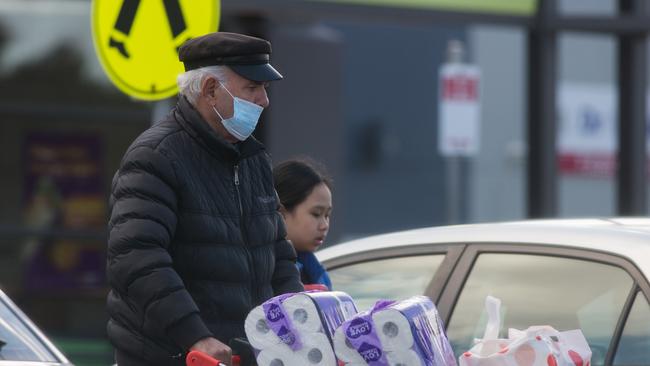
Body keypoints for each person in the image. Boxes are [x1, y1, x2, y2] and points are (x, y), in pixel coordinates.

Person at [106, 32, 303, 366]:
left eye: (264, 89)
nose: (264, 101)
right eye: (253, 88)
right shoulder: (156, 157)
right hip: (176, 356)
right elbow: (136, 258)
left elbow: (277, 251)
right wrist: (195, 337)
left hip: (243, 355)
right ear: (212, 90)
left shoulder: (252, 157)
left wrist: (300, 318)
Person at [273, 159, 333, 290]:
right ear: (281, 213)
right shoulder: (265, 273)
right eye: (316, 214)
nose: (324, 225)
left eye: (327, 215)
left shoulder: (315, 270)